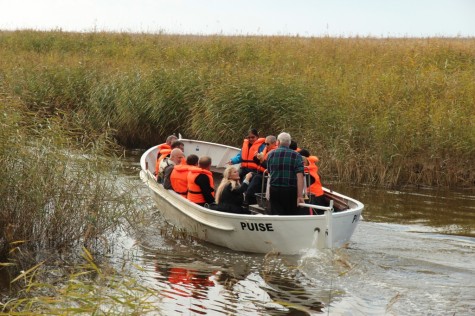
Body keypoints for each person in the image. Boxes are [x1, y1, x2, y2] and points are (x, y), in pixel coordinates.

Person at [266, 132, 305, 216]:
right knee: (291, 215)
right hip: (290, 191)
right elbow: (300, 177)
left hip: (274, 190)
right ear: (289, 143)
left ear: (278, 142)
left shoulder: (270, 154)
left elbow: (269, 171)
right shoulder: (297, 155)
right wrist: (300, 196)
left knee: (276, 215)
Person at [244, 135, 277, 205]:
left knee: (256, 178)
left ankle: (248, 198)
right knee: (249, 174)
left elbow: (271, 168)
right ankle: (245, 196)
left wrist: (262, 160)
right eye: (265, 143)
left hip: (269, 176)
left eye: (268, 144)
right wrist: (256, 158)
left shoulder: (274, 153)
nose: (266, 145)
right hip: (261, 173)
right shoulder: (266, 150)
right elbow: (261, 164)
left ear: (274, 143)